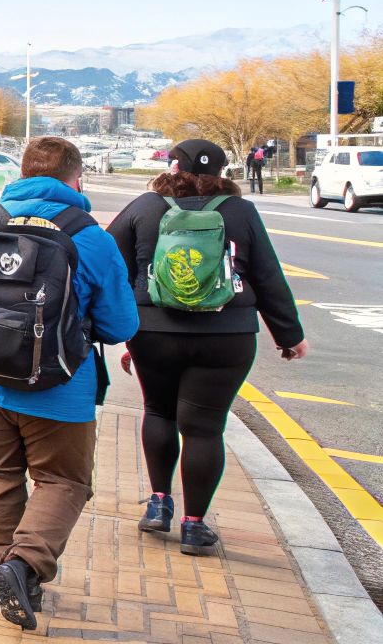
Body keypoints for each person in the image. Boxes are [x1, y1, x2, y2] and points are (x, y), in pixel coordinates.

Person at [0, 136, 138, 631]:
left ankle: (6, 568)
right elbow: (120, 325)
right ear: (76, 178)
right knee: (63, 480)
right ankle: (24, 568)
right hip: (58, 387)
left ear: (21, 173)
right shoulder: (90, 235)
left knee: (0, 471)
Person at [108, 139, 305, 558]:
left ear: (171, 166)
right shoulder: (240, 212)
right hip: (227, 335)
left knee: (158, 411)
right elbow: (268, 276)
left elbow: (111, 267)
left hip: (154, 332)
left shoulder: (145, 207)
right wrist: (288, 335)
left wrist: (124, 324)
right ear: (222, 171)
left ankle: (159, 503)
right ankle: (195, 527)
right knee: (204, 428)